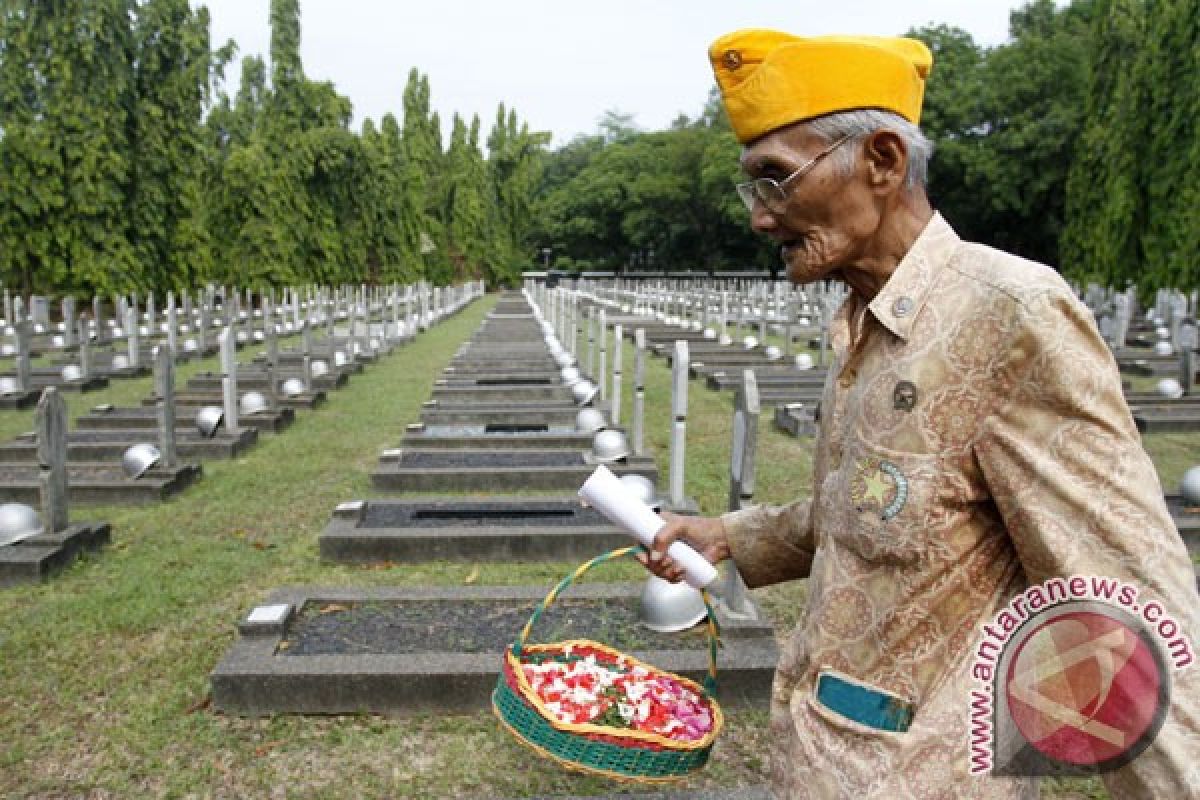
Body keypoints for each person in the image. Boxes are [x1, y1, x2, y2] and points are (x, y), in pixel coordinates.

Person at [642, 28, 1200, 798]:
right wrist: (731, 536)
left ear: (881, 160)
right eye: (753, 190)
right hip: (822, 763)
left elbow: (1121, 599)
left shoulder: (1009, 316)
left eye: (776, 180)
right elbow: (880, 506)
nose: (761, 219)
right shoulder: (863, 323)